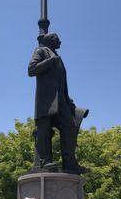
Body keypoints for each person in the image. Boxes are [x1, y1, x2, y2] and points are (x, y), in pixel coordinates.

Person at [28, 33, 88, 174]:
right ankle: (45, 161)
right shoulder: (41, 51)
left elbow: (61, 82)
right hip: (46, 101)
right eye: (57, 40)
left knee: (70, 126)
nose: (60, 42)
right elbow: (31, 70)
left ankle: (69, 163)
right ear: (50, 41)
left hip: (62, 101)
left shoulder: (56, 56)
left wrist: (67, 98)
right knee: (44, 130)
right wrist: (50, 61)